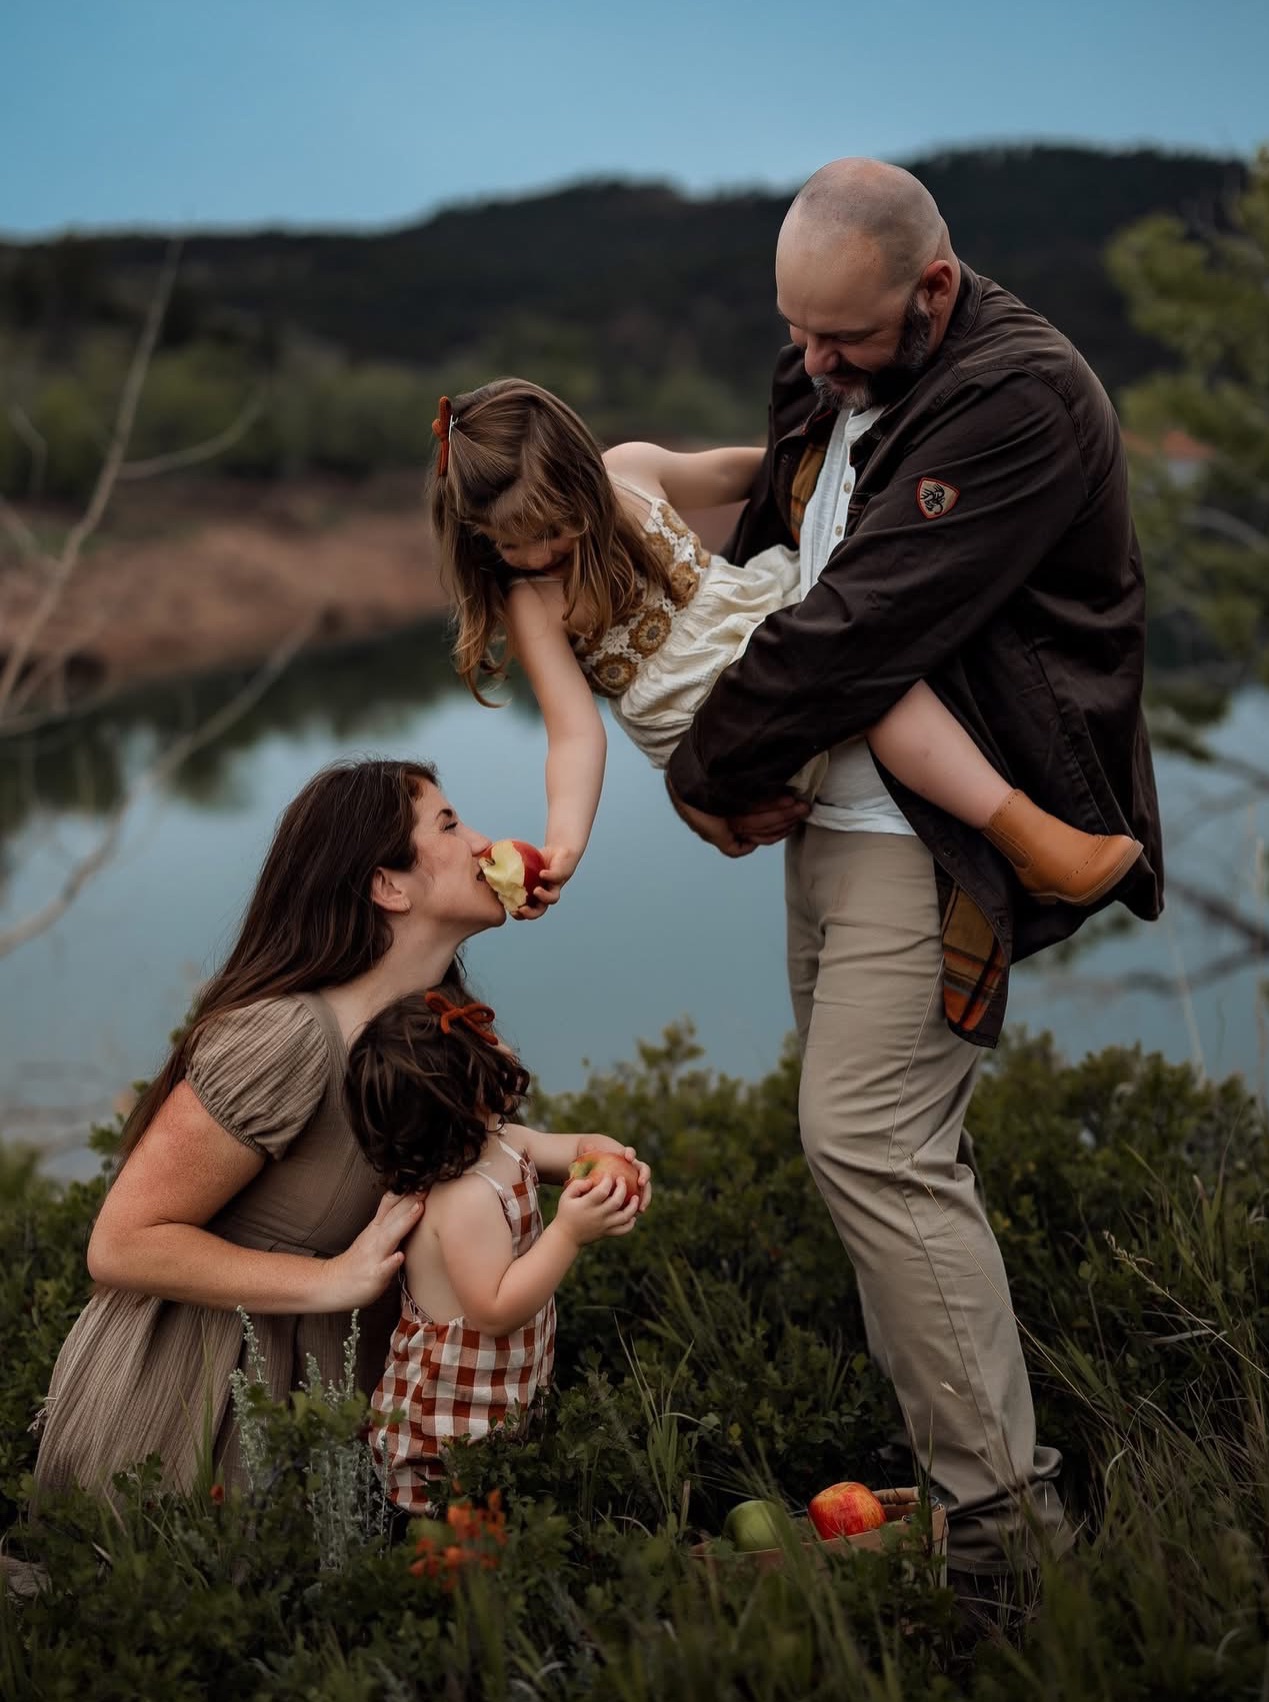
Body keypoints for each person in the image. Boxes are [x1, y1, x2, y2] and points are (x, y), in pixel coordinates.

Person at [662, 159, 1165, 1590]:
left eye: (844, 340)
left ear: (931, 288)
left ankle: (1009, 1537)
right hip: (837, 822)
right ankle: (965, 1494)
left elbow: (854, 626)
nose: (813, 365)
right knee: (872, 1156)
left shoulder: (1020, 400)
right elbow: (783, 542)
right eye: (797, 335)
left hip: (931, 845)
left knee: (872, 1142)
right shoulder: (838, 361)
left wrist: (704, 767)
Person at [429, 380, 1141, 919]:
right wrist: (565, 843)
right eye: (508, 542)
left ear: (581, 475)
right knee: (860, 682)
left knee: (862, 640)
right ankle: (1032, 841)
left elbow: (758, 474)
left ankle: (1042, 798)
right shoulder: (532, 602)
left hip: (765, 633)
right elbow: (574, 734)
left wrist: (853, 461)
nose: (536, 552)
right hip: (710, 719)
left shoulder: (633, 473)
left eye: (552, 527)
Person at [32, 758, 516, 1498]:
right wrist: (330, 1279)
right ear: (387, 886)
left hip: (323, 1403)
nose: (485, 842)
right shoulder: (287, 1038)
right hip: (191, 1413)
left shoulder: (431, 1039)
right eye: (450, 825)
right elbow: (122, 1242)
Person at [344, 986, 651, 1512]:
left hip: (498, 1397)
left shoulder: (503, 1142)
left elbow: (573, 1148)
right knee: (456, 1529)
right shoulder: (462, 1200)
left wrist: (607, 1158)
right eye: (484, 1038)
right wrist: (568, 1232)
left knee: (506, 1495)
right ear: (462, 1093)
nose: (501, 1042)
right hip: (449, 1426)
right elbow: (494, 1309)